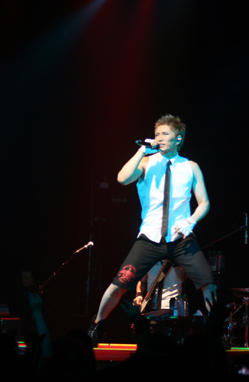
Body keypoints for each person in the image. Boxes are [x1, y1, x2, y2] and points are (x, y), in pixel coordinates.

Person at [88, 114, 217, 344]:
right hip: (149, 238)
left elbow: (204, 202)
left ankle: (215, 330)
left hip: (181, 238)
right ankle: (96, 325)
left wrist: (190, 221)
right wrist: (141, 151)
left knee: (208, 283)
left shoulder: (190, 167)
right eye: (157, 134)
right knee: (119, 284)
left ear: (178, 138)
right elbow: (122, 179)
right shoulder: (146, 163)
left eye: (165, 134)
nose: (160, 138)